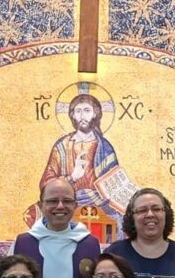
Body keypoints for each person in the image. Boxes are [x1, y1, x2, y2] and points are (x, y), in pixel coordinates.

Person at [39, 93, 126, 234]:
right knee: (35, 213)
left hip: (99, 203)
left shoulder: (105, 147)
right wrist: (72, 177)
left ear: (95, 114)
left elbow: (114, 183)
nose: (82, 116)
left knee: (121, 219)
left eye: (87, 110)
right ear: (72, 115)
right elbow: (45, 184)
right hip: (67, 201)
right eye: (78, 111)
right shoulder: (61, 147)